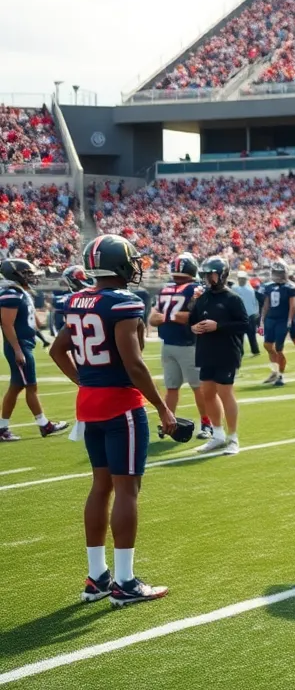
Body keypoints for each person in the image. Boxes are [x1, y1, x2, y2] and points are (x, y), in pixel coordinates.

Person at [49, 234, 175, 606]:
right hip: (121, 404)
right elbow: (133, 364)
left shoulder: (77, 300)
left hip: (89, 403)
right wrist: (162, 408)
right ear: (120, 263)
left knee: (100, 486)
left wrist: (86, 382)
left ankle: (97, 576)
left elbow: (58, 350)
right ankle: (124, 581)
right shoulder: (124, 302)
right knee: (126, 490)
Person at [0, 259, 68, 442]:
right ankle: (44, 424)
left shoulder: (21, 292)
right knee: (31, 386)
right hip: (19, 345)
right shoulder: (11, 293)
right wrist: (17, 349)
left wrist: (42, 337)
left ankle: (2, 428)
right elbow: (6, 323)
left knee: (17, 387)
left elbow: (30, 322)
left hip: (24, 343)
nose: (31, 277)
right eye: (27, 273)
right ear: (16, 274)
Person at [190, 257, 249, 456]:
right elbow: (192, 319)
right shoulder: (203, 297)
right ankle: (218, 434)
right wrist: (194, 326)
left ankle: (233, 437)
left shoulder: (232, 298)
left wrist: (219, 326)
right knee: (207, 392)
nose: (208, 278)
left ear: (222, 274)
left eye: (211, 274)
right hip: (206, 350)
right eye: (206, 274)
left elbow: (244, 325)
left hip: (227, 352)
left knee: (225, 393)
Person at [148, 254, 210, 441]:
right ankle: (193, 423)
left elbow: (155, 318)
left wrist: (166, 317)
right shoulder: (195, 288)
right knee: (192, 387)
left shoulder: (165, 290)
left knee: (174, 387)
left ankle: (204, 423)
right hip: (187, 344)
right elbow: (191, 316)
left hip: (170, 344)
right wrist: (174, 317)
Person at [259, 260, 295, 386]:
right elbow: (266, 304)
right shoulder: (269, 286)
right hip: (271, 318)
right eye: (275, 272)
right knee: (267, 345)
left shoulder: (291, 287)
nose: (277, 275)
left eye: (280, 272)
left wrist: (289, 320)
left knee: (279, 348)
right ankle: (275, 371)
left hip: (282, 319)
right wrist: (262, 319)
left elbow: (292, 306)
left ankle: (280, 375)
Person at [231, 272, 260, 356]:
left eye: (243, 279)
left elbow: (254, 301)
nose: (242, 280)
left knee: (251, 335)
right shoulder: (235, 288)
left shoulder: (249, 289)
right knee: (240, 335)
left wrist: (256, 312)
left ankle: (255, 350)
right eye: (240, 279)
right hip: (240, 315)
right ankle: (241, 351)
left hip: (250, 315)